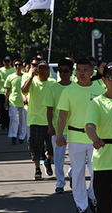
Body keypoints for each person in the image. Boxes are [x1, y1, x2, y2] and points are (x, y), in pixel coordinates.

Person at [56, 58, 104, 213]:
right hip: (75, 137)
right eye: (79, 70)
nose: (81, 73)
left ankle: (92, 194)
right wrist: (59, 135)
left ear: (92, 72)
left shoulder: (100, 89)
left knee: (96, 170)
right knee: (77, 173)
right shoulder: (68, 90)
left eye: (85, 70)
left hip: (95, 138)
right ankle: (81, 205)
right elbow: (62, 115)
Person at [85, 62, 112, 213]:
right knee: (104, 207)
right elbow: (89, 125)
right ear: (104, 80)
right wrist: (95, 138)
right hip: (103, 163)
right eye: (111, 77)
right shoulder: (96, 103)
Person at [44, 58, 75, 194]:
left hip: (75, 129)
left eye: (66, 70)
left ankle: (73, 176)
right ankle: (60, 183)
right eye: (60, 70)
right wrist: (50, 126)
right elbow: (49, 109)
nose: (62, 73)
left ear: (71, 71)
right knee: (58, 158)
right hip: (59, 129)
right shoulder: (53, 88)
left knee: (76, 159)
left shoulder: (76, 87)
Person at [21, 62, 56, 180]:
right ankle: (37, 169)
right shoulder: (32, 82)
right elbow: (24, 91)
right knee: (35, 147)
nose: (45, 77)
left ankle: (48, 160)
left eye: (47, 74)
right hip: (35, 120)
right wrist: (31, 77)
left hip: (50, 121)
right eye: (42, 74)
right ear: (37, 73)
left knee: (52, 149)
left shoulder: (52, 83)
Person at [4, 58, 28, 144]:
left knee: (23, 120)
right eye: (16, 65)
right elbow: (7, 90)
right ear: (13, 66)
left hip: (23, 102)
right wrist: (6, 101)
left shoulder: (25, 76)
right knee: (14, 118)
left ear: (22, 66)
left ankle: (21, 136)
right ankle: (13, 136)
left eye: (19, 65)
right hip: (13, 101)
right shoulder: (10, 77)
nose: (18, 66)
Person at [0, 56, 15, 130]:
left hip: (11, 93)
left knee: (10, 109)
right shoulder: (0, 70)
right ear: (3, 62)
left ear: (10, 62)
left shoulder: (13, 70)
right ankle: (3, 123)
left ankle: (9, 124)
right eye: (5, 61)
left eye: (8, 61)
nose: (6, 63)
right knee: (2, 109)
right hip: (2, 92)